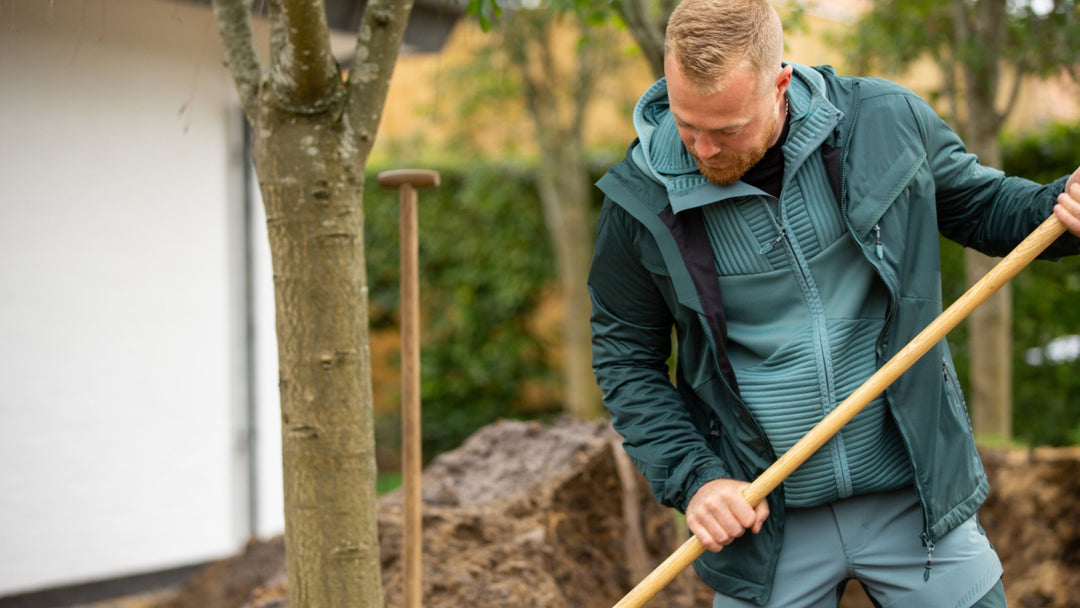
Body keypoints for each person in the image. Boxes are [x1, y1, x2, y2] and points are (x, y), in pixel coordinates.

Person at [588, 0, 1080, 606]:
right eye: (688, 125)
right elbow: (625, 360)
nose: (705, 150)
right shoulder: (638, 199)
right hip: (766, 520)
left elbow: (985, 208)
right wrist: (698, 481)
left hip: (913, 497)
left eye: (727, 130)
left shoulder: (885, 120)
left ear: (781, 85)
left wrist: (1063, 203)